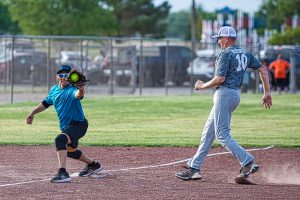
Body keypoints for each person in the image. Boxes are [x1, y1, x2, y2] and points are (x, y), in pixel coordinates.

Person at [176, 26, 272, 181]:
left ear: (227, 39)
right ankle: (195, 168)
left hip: (225, 94)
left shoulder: (225, 53)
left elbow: (220, 79)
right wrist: (266, 92)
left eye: (220, 38)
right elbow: (263, 69)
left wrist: (201, 86)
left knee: (221, 134)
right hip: (234, 94)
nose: (218, 41)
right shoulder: (245, 53)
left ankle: (247, 160)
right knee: (208, 133)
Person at [26, 65, 102, 183]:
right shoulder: (54, 90)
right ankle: (93, 165)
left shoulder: (72, 89)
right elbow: (45, 103)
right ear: (57, 77)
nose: (64, 77)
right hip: (67, 128)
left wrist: (81, 88)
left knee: (60, 139)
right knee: (70, 151)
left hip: (79, 125)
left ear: (70, 77)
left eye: (67, 75)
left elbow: (78, 95)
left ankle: (63, 173)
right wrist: (32, 113)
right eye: (61, 75)